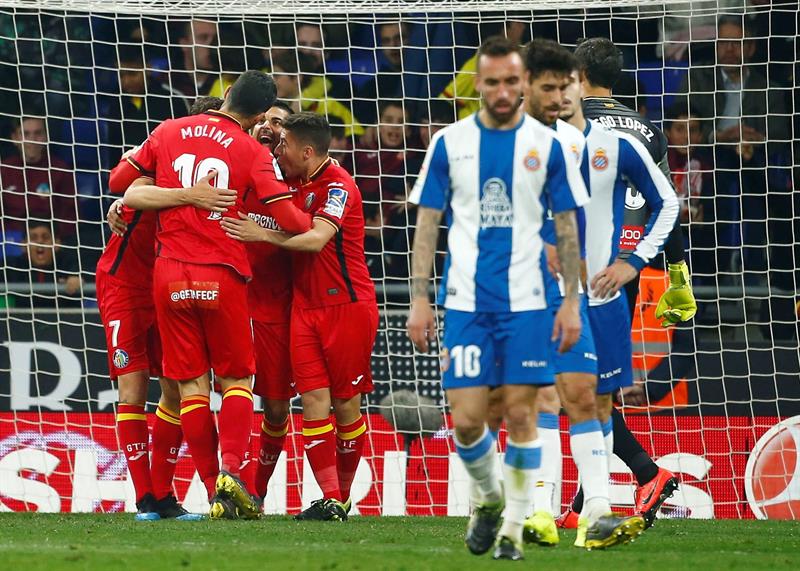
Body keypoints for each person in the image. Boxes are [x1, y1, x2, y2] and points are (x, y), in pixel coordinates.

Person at [405, 36, 588, 561]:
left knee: (522, 414)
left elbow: (567, 227)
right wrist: (420, 298)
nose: (503, 91)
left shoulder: (547, 146)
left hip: (529, 303)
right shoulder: (449, 142)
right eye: (493, 82)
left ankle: (512, 527)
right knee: (468, 420)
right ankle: (487, 498)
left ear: (523, 83)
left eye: (512, 81)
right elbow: (426, 227)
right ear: (478, 85)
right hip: (464, 302)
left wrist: (570, 301)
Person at [120, 70, 312, 520]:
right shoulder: (250, 150)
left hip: (167, 277)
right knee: (236, 382)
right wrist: (308, 222)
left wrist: (161, 192)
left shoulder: (168, 130)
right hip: (221, 275)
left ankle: (211, 491)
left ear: (226, 94)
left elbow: (121, 182)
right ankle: (231, 474)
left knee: (190, 387)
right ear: (262, 114)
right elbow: (289, 218)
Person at [527, 65, 680, 547]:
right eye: (547, 88)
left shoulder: (616, 144)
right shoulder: (527, 144)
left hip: (603, 295)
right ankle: (545, 509)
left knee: (593, 402)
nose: (557, 96)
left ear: (580, 85)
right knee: (547, 396)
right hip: (546, 296)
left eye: (562, 86)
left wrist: (634, 263)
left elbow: (668, 203)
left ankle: (593, 507)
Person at [221, 112, 377, 522]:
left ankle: (340, 498)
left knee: (345, 406)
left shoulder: (340, 185)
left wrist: (264, 235)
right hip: (302, 310)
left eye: (284, 143)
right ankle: (330, 498)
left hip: (346, 305)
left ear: (307, 151)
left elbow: (317, 239)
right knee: (311, 404)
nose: (278, 149)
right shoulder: (290, 184)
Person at [571, 37, 688, 527]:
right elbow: (667, 200)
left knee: (578, 389)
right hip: (633, 267)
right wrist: (677, 275)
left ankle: (646, 473)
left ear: (577, 74)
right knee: (594, 388)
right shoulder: (648, 128)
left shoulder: (573, 124)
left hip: (588, 269)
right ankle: (585, 504)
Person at [98, 96, 227, 521]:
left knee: (176, 389)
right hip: (125, 287)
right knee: (132, 388)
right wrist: (123, 204)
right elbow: (127, 187)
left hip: (168, 285)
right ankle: (145, 499)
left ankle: (164, 495)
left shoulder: (220, 175)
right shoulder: (156, 166)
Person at [1, 117, 77, 241]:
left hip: (49, 242)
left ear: (46, 137)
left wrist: (54, 237)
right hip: (11, 241)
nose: (32, 140)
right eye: (26, 134)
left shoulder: (60, 170)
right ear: (15, 138)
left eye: (38, 133)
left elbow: (70, 216)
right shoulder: (3, 170)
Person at [4, 221, 80, 309]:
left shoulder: (69, 263)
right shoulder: (11, 266)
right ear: (23, 245)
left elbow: (90, 275)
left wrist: (78, 279)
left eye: (45, 237)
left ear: (57, 243)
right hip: (21, 320)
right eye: (33, 237)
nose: (40, 241)